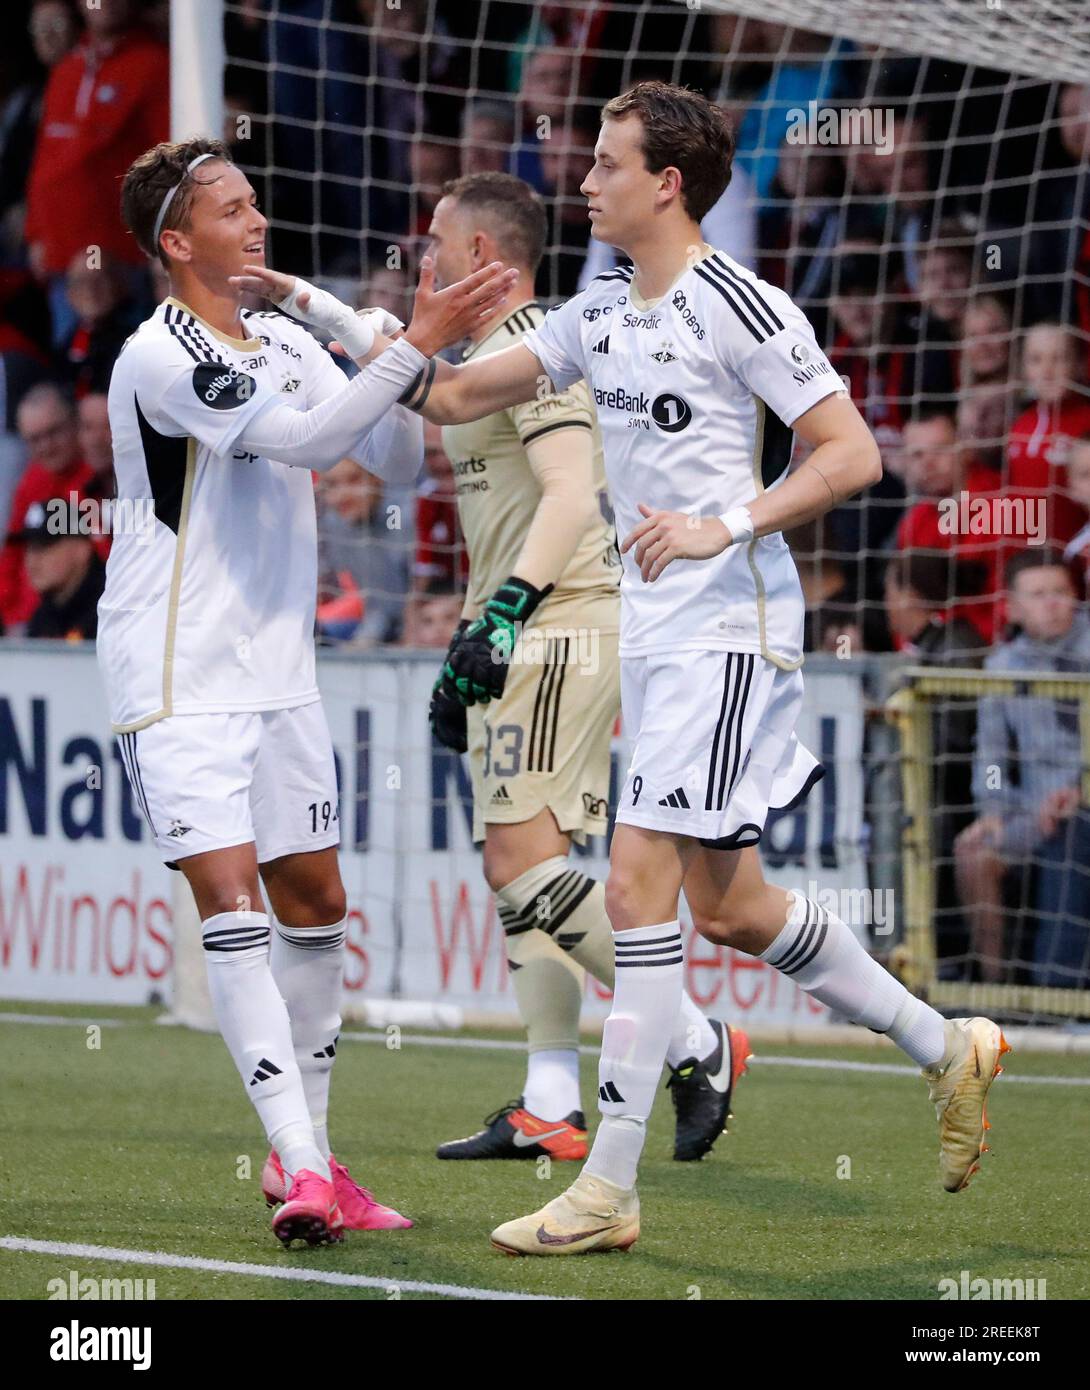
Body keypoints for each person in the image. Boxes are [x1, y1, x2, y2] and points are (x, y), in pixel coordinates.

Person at [368, 81, 1008, 1253]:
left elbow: (851, 451)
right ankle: (946, 1042)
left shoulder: (741, 304)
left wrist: (730, 522)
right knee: (730, 905)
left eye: (607, 163)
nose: (585, 181)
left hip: (728, 629)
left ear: (666, 183)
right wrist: (361, 322)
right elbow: (452, 393)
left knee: (633, 887)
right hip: (657, 638)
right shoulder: (595, 311)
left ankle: (606, 1185)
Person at [101, 134, 514, 1247]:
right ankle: (299, 1162)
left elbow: (394, 459)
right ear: (178, 241)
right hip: (178, 672)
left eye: (255, 203)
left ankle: (315, 1161)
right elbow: (301, 441)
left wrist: (351, 323)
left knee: (318, 907)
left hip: (279, 673)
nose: (257, 221)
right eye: (233, 210)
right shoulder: (158, 354)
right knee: (230, 909)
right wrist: (411, 342)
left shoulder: (282, 331)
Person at [424, 171, 750, 1166]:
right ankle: (549, 1099)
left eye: (438, 238)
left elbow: (570, 495)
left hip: (560, 619)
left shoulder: (537, 357)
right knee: (516, 863)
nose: (424, 251)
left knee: (525, 860)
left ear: (485, 256)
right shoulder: (480, 357)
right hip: (520, 623)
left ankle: (696, 1041)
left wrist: (507, 616)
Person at [955, 550, 1090, 987]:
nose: (1053, 603)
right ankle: (1000, 991)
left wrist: (1082, 790)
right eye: (1038, 594)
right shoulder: (1002, 666)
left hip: (1082, 806)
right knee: (972, 851)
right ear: (1012, 606)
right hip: (1030, 813)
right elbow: (990, 755)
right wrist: (992, 810)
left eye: (1060, 592)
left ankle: (1060, 988)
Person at [0, 383, 91, 629]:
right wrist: (15, 619)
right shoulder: (32, 481)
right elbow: (12, 553)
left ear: (74, 423)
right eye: (34, 439)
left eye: (54, 432)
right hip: (30, 624)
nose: (45, 447)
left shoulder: (99, 479)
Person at [19, 494, 106, 640]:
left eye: (45, 546)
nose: (32, 560)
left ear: (81, 549)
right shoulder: (43, 617)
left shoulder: (110, 607)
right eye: (30, 548)